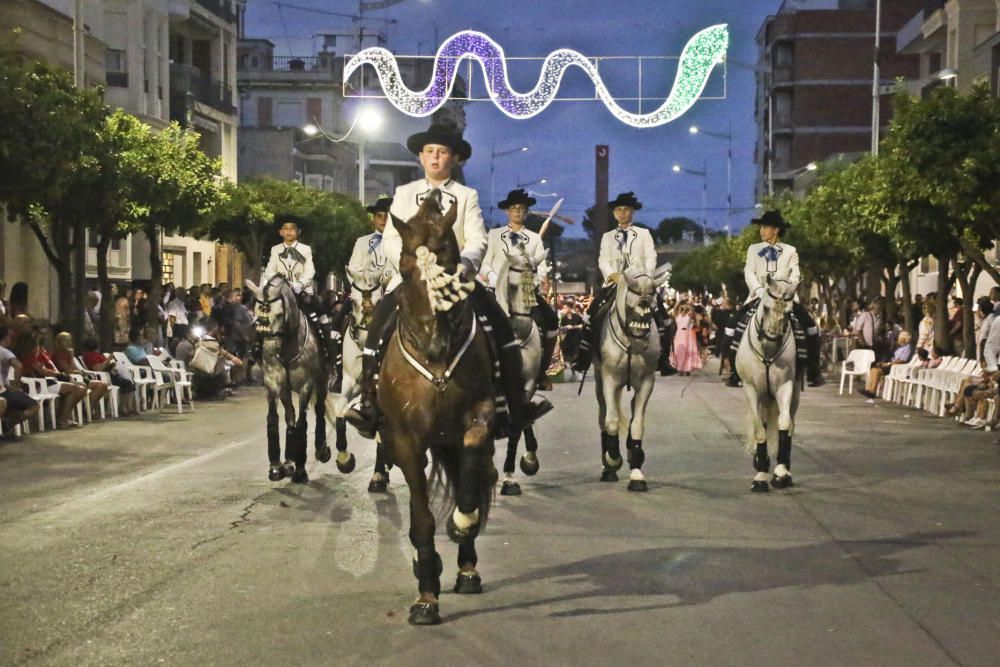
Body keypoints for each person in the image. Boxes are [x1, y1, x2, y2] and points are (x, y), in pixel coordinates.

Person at [345, 123, 552, 439]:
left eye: (442, 152)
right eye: (430, 152)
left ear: (454, 159)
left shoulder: (466, 195)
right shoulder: (404, 194)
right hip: (413, 278)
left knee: (500, 323)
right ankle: (368, 401)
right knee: (380, 322)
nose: (435, 158)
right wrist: (412, 265)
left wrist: (464, 265)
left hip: (456, 279)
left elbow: (477, 239)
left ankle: (512, 404)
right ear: (421, 157)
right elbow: (391, 237)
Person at [724, 210, 824, 387]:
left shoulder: (790, 251)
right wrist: (760, 290)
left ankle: (814, 370)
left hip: (784, 298)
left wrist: (782, 291)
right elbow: (749, 273)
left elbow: (795, 275)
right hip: (758, 297)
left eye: (765, 227)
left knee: (811, 328)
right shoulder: (753, 249)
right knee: (731, 328)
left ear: (776, 230)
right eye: (761, 227)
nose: (761, 230)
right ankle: (733, 369)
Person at [571, 192, 662, 373]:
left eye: (626, 210)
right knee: (592, 315)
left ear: (632, 212)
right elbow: (603, 260)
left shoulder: (644, 234)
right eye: (618, 210)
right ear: (614, 213)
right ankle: (584, 356)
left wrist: (645, 277)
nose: (622, 213)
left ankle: (664, 357)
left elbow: (651, 257)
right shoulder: (608, 237)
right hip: (615, 283)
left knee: (662, 315)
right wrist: (615, 276)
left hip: (639, 285)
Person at [480, 188, 560, 389]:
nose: (517, 212)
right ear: (507, 211)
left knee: (550, 320)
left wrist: (531, 280)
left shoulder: (533, 238)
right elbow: (485, 264)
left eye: (521, 209)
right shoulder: (494, 235)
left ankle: (542, 372)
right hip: (497, 291)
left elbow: (541, 268)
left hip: (525, 291)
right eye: (514, 208)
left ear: (526, 212)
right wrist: (497, 279)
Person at [260, 214, 339, 374]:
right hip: (280, 292)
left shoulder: (305, 249)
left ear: (298, 232)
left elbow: (310, 270)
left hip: (302, 293)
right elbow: (269, 269)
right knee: (261, 317)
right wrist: (278, 283)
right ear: (280, 232)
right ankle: (257, 351)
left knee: (322, 318)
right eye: (286, 229)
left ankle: (331, 355)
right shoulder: (275, 249)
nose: (289, 232)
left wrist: (300, 284)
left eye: (292, 229)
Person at [331, 196, 396, 392]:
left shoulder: (400, 241)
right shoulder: (362, 242)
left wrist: (385, 279)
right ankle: (339, 367)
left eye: (388, 216)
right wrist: (362, 285)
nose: (383, 220)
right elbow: (353, 267)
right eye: (379, 216)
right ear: (373, 219)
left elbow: (400, 268)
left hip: (390, 291)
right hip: (364, 291)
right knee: (342, 315)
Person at [19, 328, 87, 429]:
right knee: (78, 389)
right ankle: (62, 419)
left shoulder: (40, 351)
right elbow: (42, 371)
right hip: (38, 385)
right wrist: (60, 375)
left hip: (47, 382)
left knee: (81, 388)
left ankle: (65, 416)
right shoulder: (28, 355)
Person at [51, 332, 110, 414]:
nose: (68, 343)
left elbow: (75, 369)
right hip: (68, 379)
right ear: (59, 343)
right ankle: (87, 411)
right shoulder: (58, 356)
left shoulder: (68, 354)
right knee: (95, 386)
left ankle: (88, 409)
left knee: (103, 385)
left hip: (78, 377)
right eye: (65, 341)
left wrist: (79, 371)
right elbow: (69, 371)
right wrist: (71, 357)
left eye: (69, 341)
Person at [80, 337, 138, 416]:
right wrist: (108, 359)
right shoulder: (90, 356)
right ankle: (123, 407)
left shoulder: (97, 355)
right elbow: (98, 368)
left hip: (109, 374)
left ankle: (129, 407)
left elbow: (106, 365)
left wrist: (112, 365)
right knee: (127, 383)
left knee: (130, 381)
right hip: (102, 377)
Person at [0, 325, 40, 435]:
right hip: (3, 391)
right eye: (10, 337)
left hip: (4, 387)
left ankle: (5, 424)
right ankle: (7, 425)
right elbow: (18, 366)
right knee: (34, 406)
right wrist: (16, 386)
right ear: (6, 337)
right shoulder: (4, 352)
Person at [859, 331, 913, 399]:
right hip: (891, 364)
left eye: (900, 338)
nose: (898, 339)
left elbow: (902, 360)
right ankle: (869, 389)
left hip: (897, 367)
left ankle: (873, 391)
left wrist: (888, 363)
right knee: (873, 369)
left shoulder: (908, 348)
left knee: (877, 371)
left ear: (904, 339)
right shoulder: (900, 348)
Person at [670, 303, 703, 376]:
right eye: (682, 309)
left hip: (687, 334)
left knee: (688, 351)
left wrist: (687, 306)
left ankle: (687, 368)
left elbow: (694, 316)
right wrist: (680, 302)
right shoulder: (677, 315)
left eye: (685, 309)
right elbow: (675, 307)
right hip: (679, 334)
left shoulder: (689, 315)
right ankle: (680, 368)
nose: (683, 310)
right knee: (679, 351)